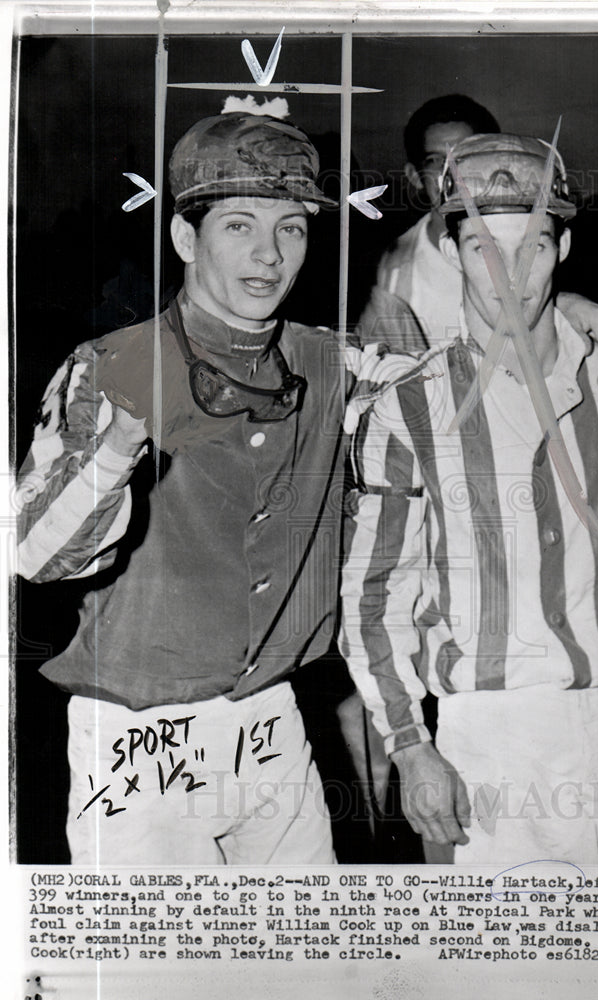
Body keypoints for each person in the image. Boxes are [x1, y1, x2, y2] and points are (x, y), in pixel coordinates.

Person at [14, 111, 384, 865]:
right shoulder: (108, 365)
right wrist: (116, 451)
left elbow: (467, 368)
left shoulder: (334, 363)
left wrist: (568, 313)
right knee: (157, 978)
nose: (268, 254)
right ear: (186, 239)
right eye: (239, 225)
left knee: (310, 971)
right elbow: (31, 554)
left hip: (273, 724)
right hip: (141, 740)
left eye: (291, 229)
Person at [340, 132, 598, 864]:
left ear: (564, 248)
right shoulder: (406, 407)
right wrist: (410, 746)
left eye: (535, 245)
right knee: (509, 972)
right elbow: (374, 595)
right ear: (449, 252)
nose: (510, 272)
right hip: (491, 732)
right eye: (483, 247)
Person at [357, 93, 598, 383]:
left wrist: (560, 305)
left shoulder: (549, 236)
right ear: (413, 175)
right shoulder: (391, 272)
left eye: (466, 156)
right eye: (436, 160)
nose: (454, 172)